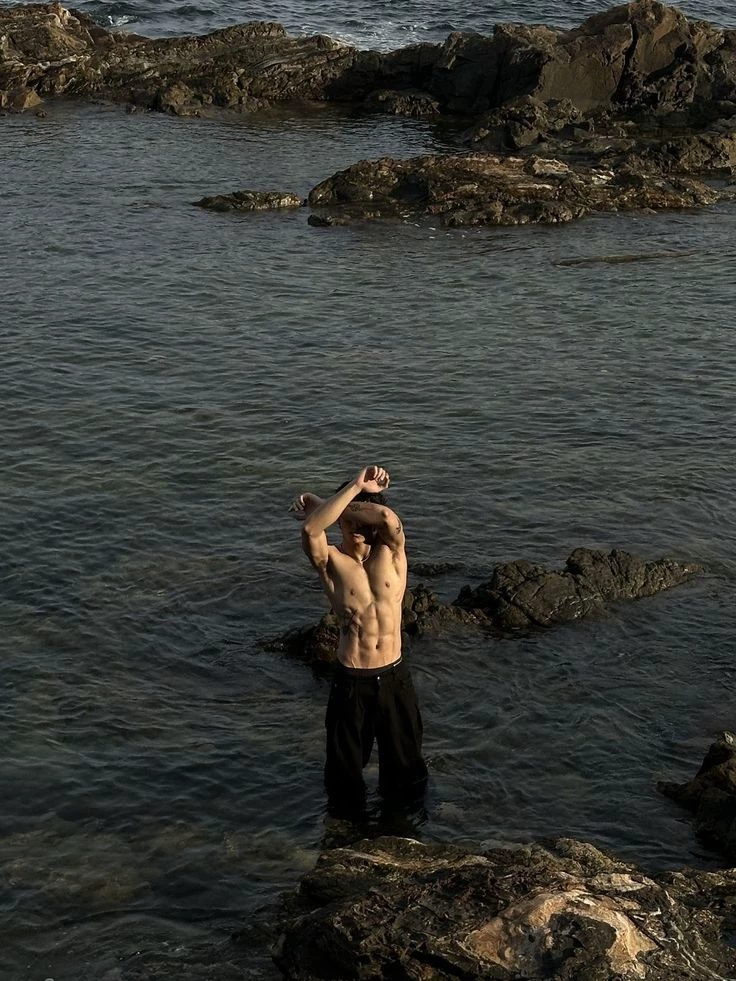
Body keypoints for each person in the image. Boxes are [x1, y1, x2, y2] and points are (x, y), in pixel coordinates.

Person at [289, 465, 428, 812]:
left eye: (365, 520)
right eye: (352, 520)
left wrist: (324, 502)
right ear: (340, 522)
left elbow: (386, 516)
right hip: (351, 681)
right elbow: (310, 528)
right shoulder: (330, 560)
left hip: (394, 677)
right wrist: (354, 486)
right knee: (344, 775)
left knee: (407, 772)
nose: (363, 528)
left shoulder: (392, 550)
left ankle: (405, 830)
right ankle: (346, 834)